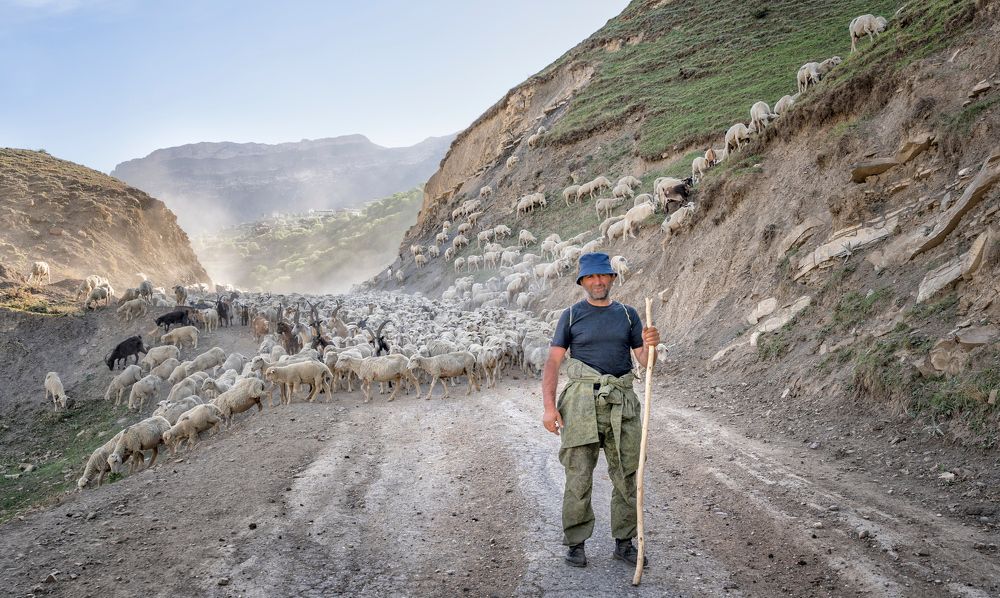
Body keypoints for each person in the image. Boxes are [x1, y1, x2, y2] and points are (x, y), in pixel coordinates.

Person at [541, 252, 660, 569]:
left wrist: (652, 344)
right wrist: (549, 408)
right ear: (582, 281)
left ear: (611, 278)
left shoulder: (628, 314)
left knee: (627, 473)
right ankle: (576, 544)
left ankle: (624, 543)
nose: (597, 281)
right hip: (579, 402)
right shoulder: (570, 316)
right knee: (578, 475)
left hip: (621, 401)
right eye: (591, 277)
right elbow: (553, 362)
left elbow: (645, 362)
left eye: (603, 276)